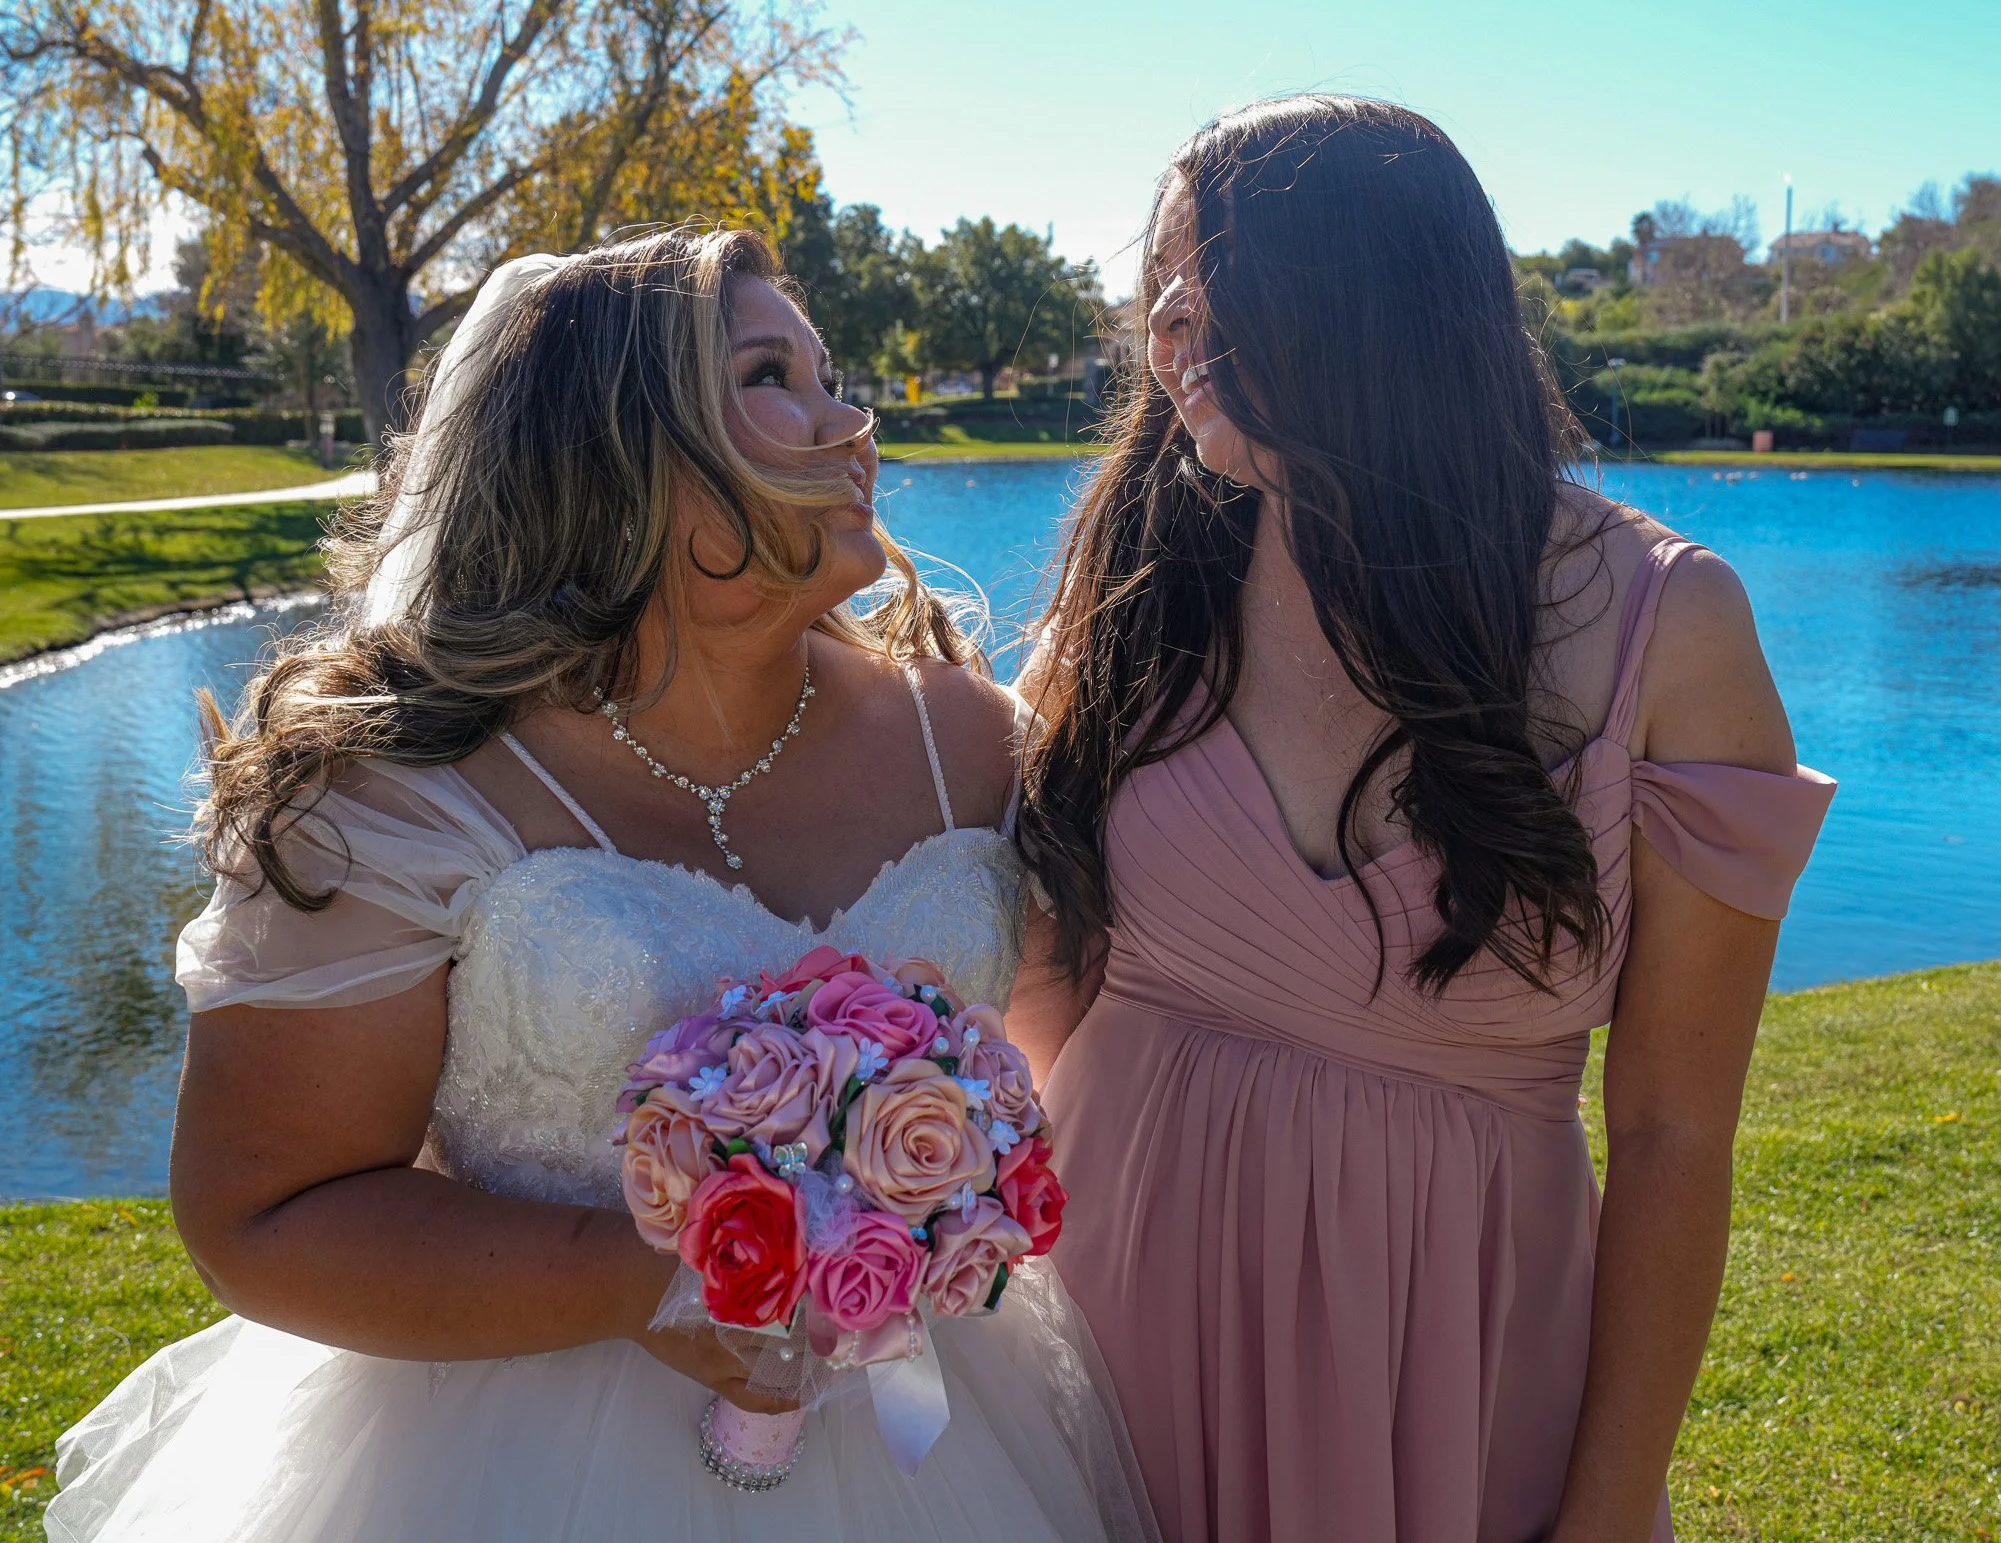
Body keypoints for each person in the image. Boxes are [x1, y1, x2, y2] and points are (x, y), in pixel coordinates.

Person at [46, 229, 1156, 1543]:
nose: (851, 420)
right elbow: (261, 1213)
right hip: (493, 1462)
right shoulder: (406, 795)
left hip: (942, 1443)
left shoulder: (967, 738)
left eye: (830, 371)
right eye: (769, 375)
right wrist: (655, 1282)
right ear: (611, 447)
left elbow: (1061, 1058)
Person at [1010, 96, 1835, 1543]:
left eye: (1213, 295)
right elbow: (1045, 996)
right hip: (1109, 1341)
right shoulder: (1139, 581)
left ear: (1371, 300)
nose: (1170, 340)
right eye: (1161, 304)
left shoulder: (1667, 626)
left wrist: (1603, 1512)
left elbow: (1669, 1138)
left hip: (1455, 1373)